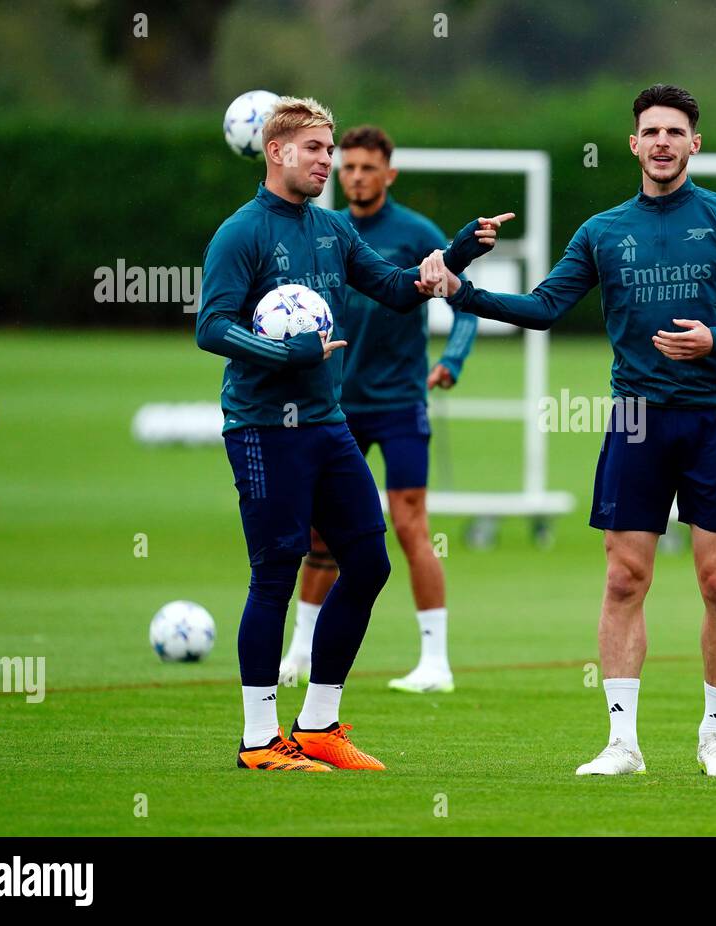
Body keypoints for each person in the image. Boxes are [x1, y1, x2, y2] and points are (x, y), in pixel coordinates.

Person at [419, 84, 716, 778]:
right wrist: (465, 293)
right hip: (636, 421)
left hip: (714, 421)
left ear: (694, 144)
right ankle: (622, 742)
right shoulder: (603, 230)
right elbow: (545, 306)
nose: (664, 142)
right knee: (623, 579)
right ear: (634, 144)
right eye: (652, 131)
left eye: (676, 132)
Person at [196, 96, 509, 771]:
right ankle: (258, 742)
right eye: (315, 149)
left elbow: (396, 288)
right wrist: (288, 355)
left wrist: (455, 252)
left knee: (368, 563)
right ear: (277, 151)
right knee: (275, 573)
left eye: (328, 149)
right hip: (261, 427)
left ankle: (317, 725)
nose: (326, 161)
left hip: (326, 425)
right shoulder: (241, 233)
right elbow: (211, 326)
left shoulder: (333, 230)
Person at [279, 125, 478, 695]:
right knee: (320, 533)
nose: (356, 176)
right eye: (348, 167)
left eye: (368, 168)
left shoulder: (417, 233)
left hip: (400, 403)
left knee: (410, 523)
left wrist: (453, 360)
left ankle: (435, 661)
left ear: (388, 174)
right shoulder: (327, 231)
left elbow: (462, 303)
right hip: (336, 403)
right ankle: (300, 652)